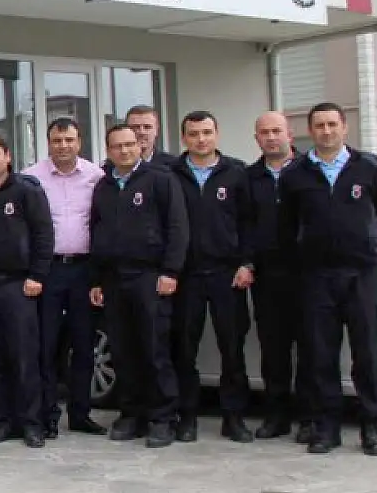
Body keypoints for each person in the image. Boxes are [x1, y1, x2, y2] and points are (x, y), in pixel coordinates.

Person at [278, 102, 377, 456]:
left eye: (333, 124)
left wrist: (369, 248)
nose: (326, 131)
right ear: (310, 131)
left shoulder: (370, 168)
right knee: (320, 356)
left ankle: (372, 428)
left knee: (367, 355)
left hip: (361, 274)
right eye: (319, 125)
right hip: (317, 277)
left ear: (344, 127)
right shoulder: (295, 174)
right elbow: (286, 227)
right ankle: (325, 428)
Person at [90, 124, 188, 449]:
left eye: (130, 144)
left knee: (154, 348)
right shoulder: (103, 186)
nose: (125, 151)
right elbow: (96, 232)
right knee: (123, 349)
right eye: (117, 146)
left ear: (140, 146)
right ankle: (131, 413)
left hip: (150, 276)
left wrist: (171, 271)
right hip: (114, 279)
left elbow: (177, 227)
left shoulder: (160, 179)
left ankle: (162, 417)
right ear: (108, 150)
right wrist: (97, 279)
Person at [168, 111, 255, 443]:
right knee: (184, 348)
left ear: (216, 134)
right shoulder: (171, 174)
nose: (200, 139)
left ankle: (233, 417)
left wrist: (247, 263)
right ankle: (187, 416)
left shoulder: (236, 172)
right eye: (193, 134)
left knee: (232, 348)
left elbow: (249, 223)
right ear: (184, 138)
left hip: (227, 274)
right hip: (186, 275)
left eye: (206, 132)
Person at [0, 133, 54, 449]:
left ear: (7, 157)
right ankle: (6, 420)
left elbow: (44, 234)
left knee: (23, 357)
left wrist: (37, 275)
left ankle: (32, 423)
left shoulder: (26, 191)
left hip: (17, 285)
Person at [21, 118, 107, 438]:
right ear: (49, 143)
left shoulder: (96, 177)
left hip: (84, 270)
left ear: (79, 142)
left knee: (84, 344)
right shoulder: (31, 178)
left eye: (69, 140)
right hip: (48, 270)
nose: (63, 146)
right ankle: (47, 415)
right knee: (46, 344)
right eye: (57, 141)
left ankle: (81, 414)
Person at [247, 112, 311, 443]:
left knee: (312, 348)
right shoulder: (248, 177)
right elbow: (242, 225)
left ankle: (310, 418)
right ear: (256, 138)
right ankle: (277, 416)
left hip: (308, 274)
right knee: (273, 350)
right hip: (267, 275)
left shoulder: (310, 171)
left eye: (277, 131)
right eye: (264, 132)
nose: (271, 137)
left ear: (290, 134)